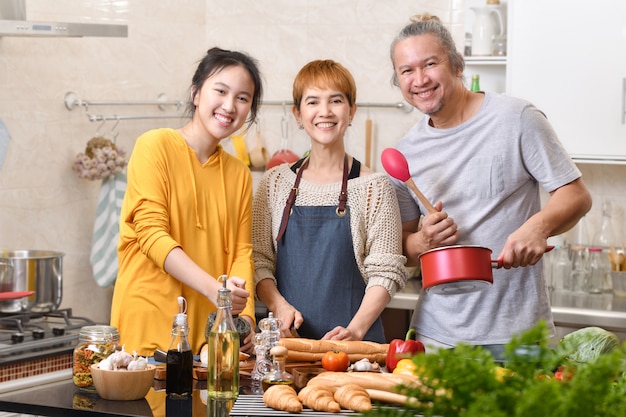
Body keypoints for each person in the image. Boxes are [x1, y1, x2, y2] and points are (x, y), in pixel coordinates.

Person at [388, 15, 592, 355]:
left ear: (456, 65)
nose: (419, 79)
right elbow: (404, 249)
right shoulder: (405, 153)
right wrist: (424, 240)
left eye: (430, 64)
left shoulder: (517, 118)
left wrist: (537, 228)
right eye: (406, 71)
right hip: (436, 337)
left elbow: (577, 196)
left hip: (521, 336)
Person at [110, 47, 263, 356]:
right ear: (196, 93)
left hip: (211, 334)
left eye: (243, 98)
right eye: (220, 91)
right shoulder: (154, 147)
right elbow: (151, 235)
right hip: (150, 324)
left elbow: (241, 252)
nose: (229, 105)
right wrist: (218, 294)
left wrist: (243, 317)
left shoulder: (238, 174)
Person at [252, 60, 408, 343]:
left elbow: (386, 271)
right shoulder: (274, 183)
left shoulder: (375, 187)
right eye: (313, 102)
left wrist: (355, 330)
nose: (324, 112)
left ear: (352, 111)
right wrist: (278, 305)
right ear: (298, 114)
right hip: (286, 345)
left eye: (335, 100)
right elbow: (259, 260)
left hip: (354, 348)